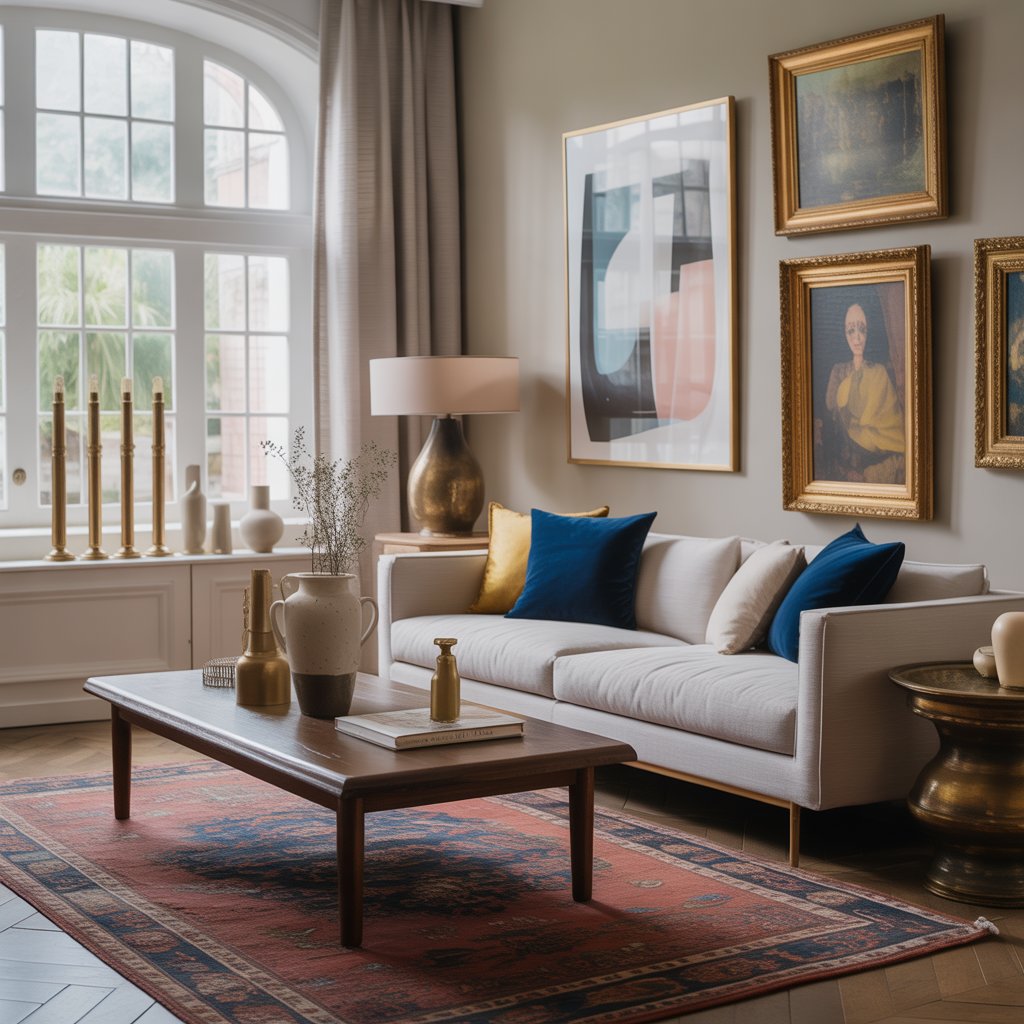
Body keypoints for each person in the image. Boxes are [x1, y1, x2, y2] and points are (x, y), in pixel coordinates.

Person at [819, 302, 905, 484]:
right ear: (843, 334)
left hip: (877, 457)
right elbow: (830, 412)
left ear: (869, 332)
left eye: (862, 330)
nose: (857, 338)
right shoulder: (838, 370)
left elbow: (892, 426)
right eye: (851, 331)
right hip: (845, 458)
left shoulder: (879, 371)